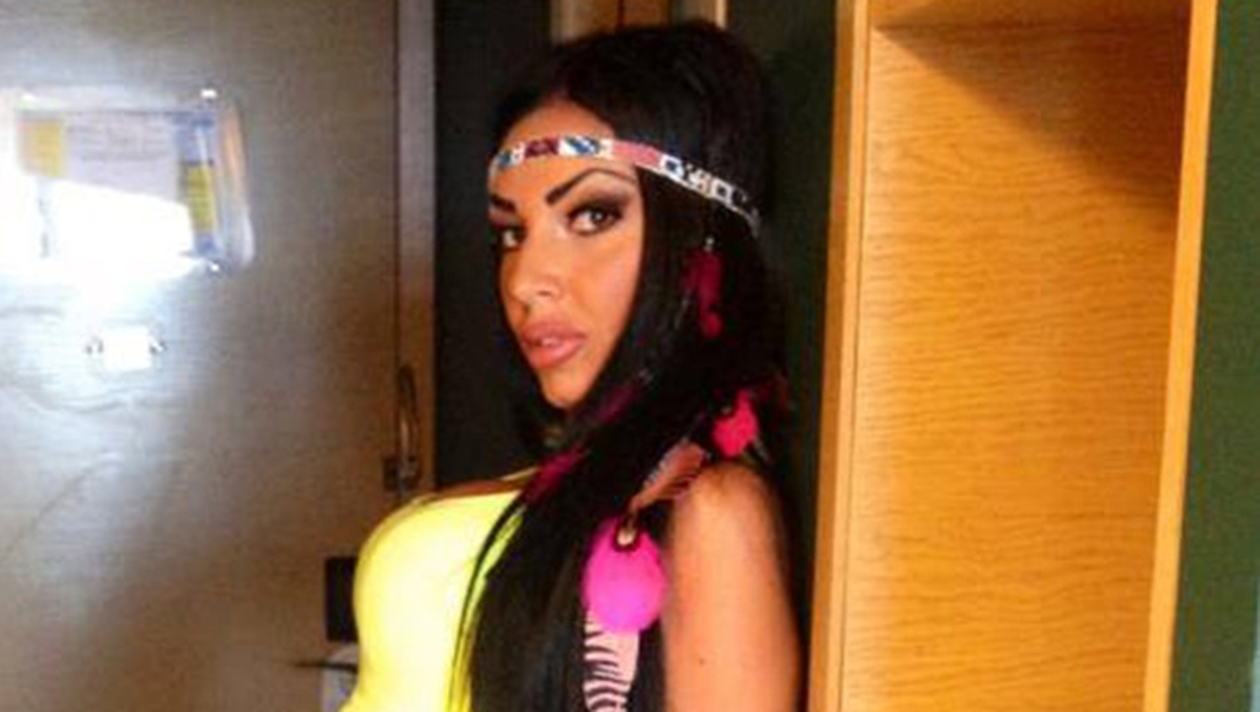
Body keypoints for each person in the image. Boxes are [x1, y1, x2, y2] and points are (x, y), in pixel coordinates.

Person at [342, 21, 799, 712]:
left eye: (591, 217)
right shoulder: (595, 482)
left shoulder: (712, 513)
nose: (527, 279)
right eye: (511, 233)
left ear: (699, 234)